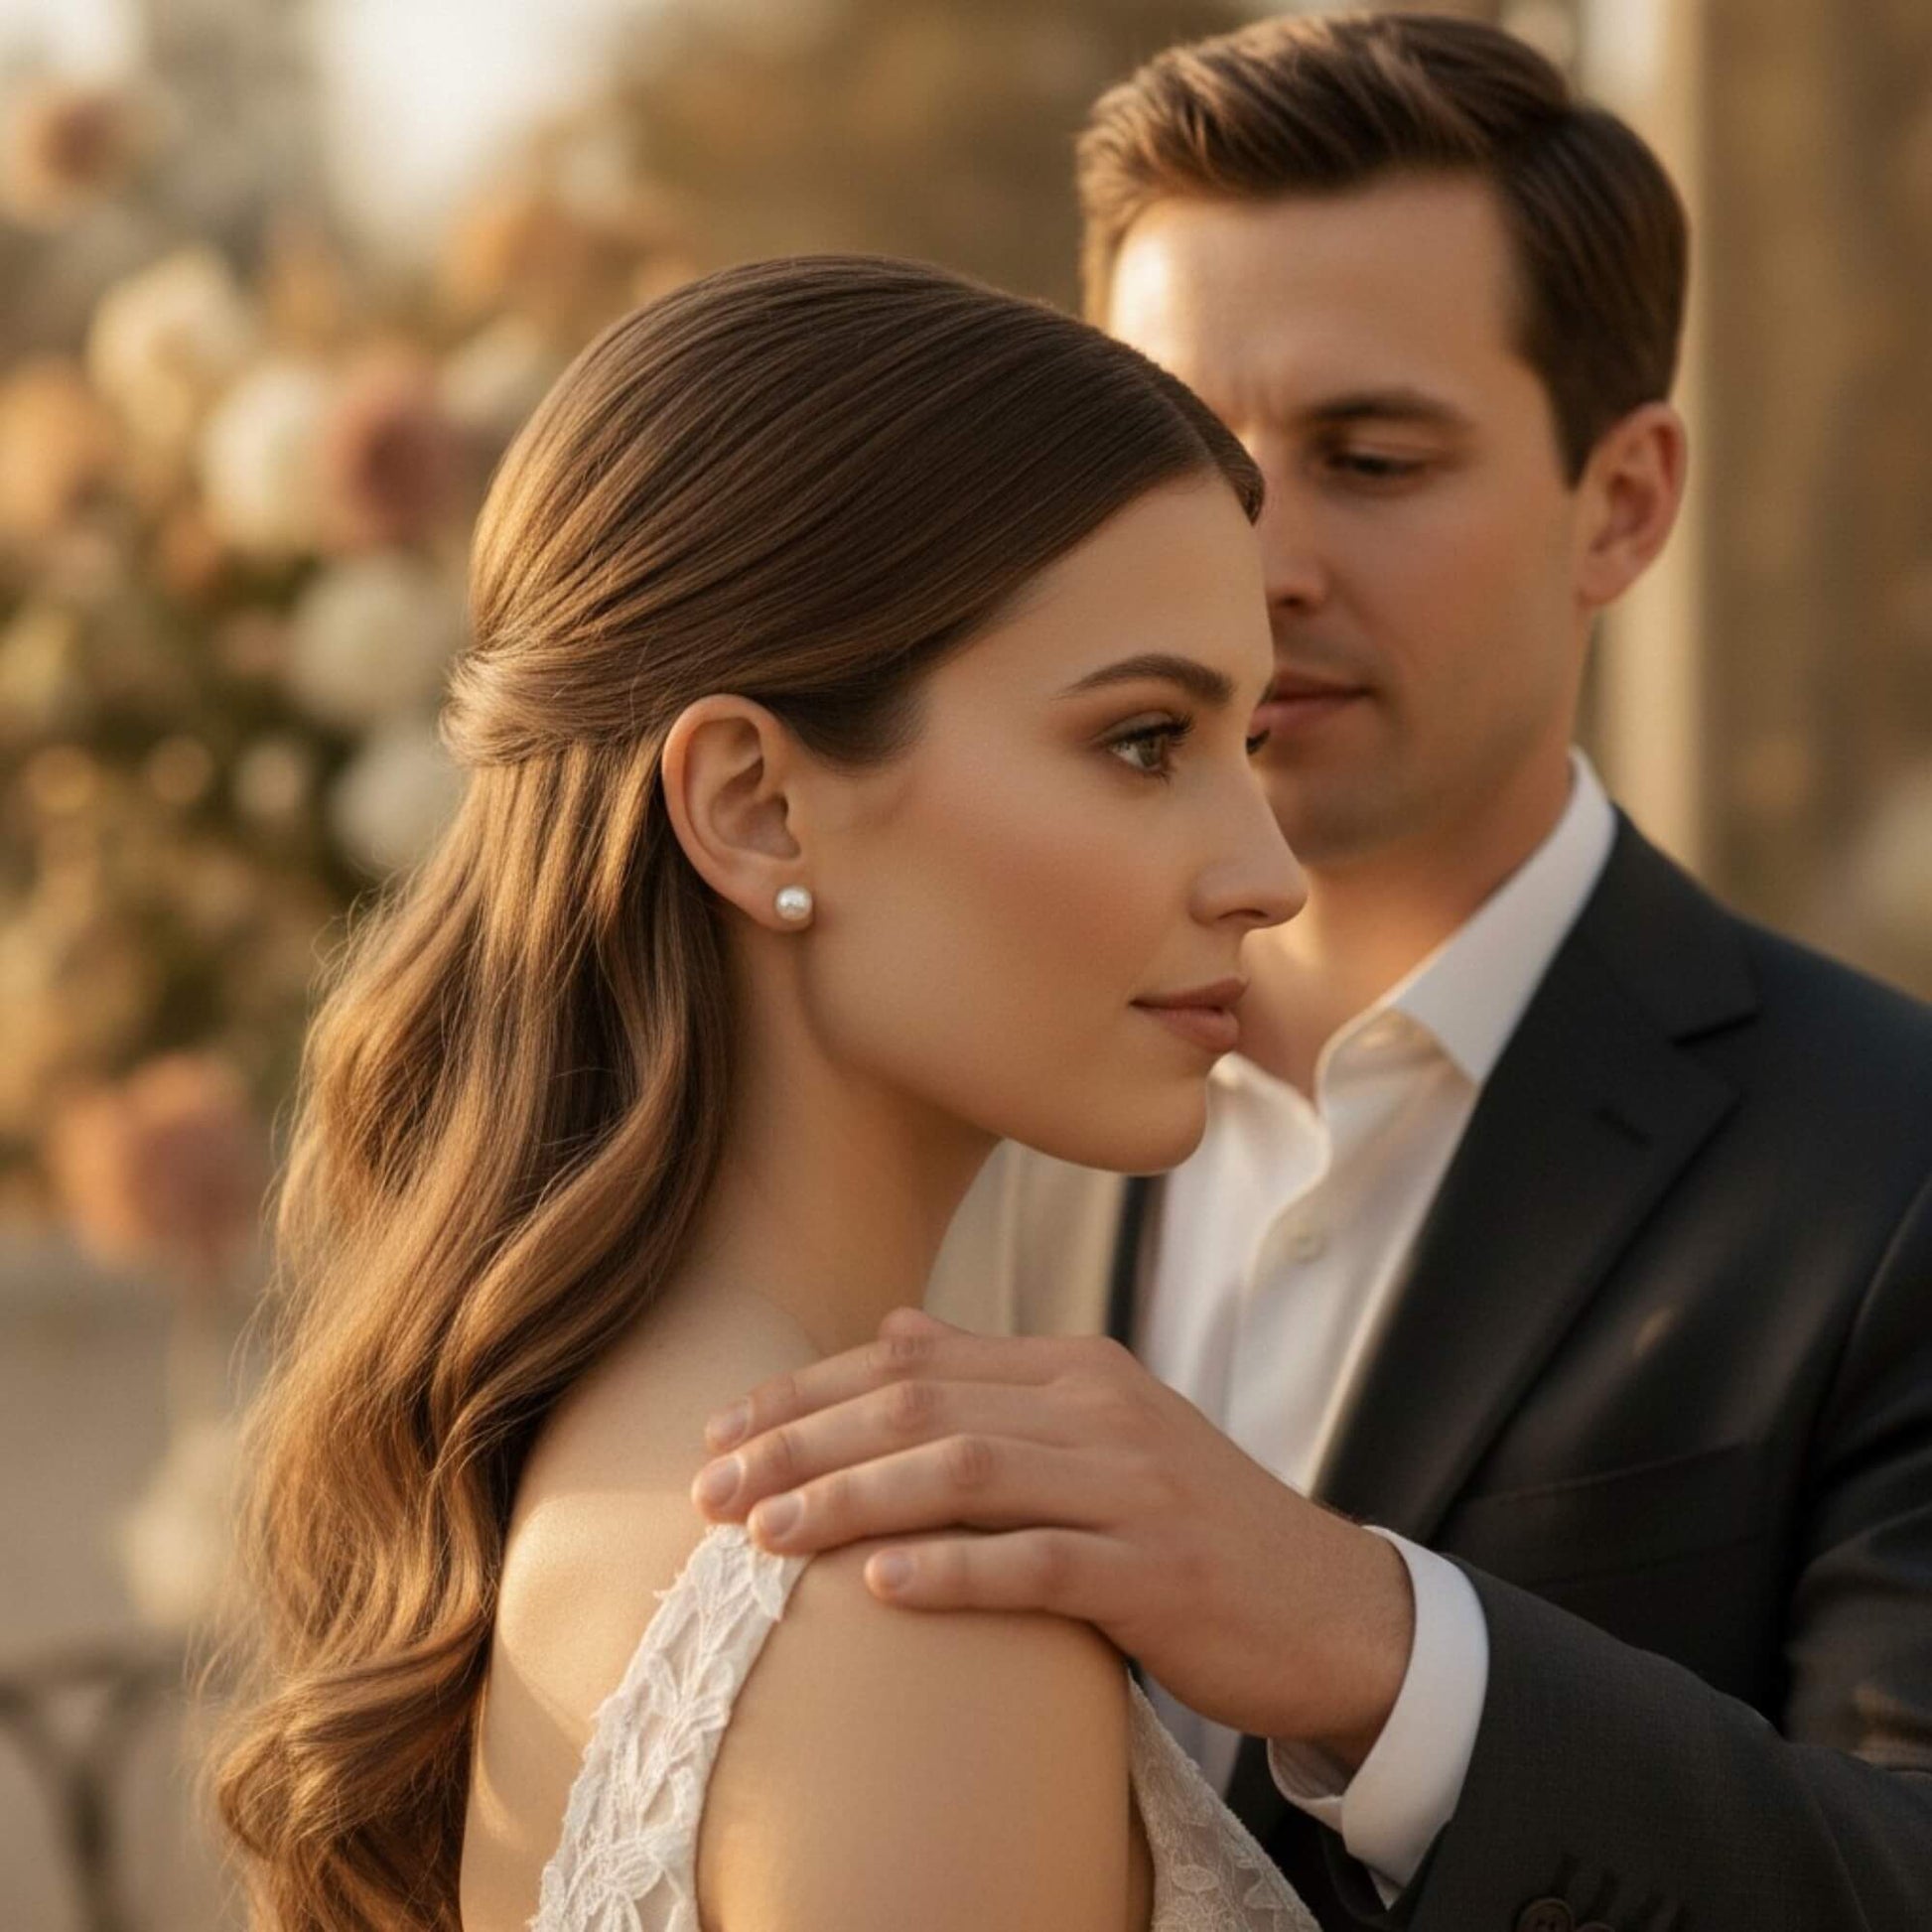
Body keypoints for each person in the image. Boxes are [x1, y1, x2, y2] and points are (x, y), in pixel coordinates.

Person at [686, 16, 1932, 1932]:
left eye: (1367, 455)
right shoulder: (917, 1093)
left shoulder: (1884, 1158)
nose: (1248, 565)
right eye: (1173, 447)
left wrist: (1374, 1637)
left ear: (1624, 501)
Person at [206, 253, 1337, 1932]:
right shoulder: (908, 1594)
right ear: (754, 804)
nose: (1267, 872)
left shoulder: (588, 1465)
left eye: (1249, 744)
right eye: (1142, 739)